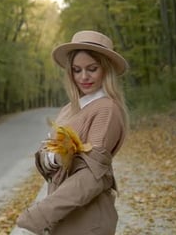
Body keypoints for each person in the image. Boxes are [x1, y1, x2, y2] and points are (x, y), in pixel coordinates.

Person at [16, 30, 129, 235]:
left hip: (87, 220)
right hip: (62, 216)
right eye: (77, 70)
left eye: (92, 69)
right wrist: (53, 158)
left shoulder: (106, 109)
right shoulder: (70, 108)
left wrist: (38, 216)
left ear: (106, 69)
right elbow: (46, 153)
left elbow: (91, 177)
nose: (83, 77)